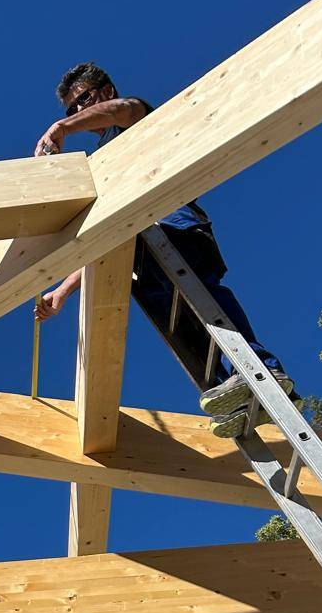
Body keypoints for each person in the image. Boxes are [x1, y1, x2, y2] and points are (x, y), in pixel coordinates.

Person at [33, 63, 294, 438]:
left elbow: (122, 109)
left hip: (173, 228)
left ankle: (262, 371)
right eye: (70, 110)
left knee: (207, 305)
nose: (78, 113)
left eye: (83, 100)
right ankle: (240, 397)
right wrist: (61, 291)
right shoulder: (100, 167)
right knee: (188, 334)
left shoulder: (130, 117)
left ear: (105, 92)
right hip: (137, 255)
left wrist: (59, 129)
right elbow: (101, 236)